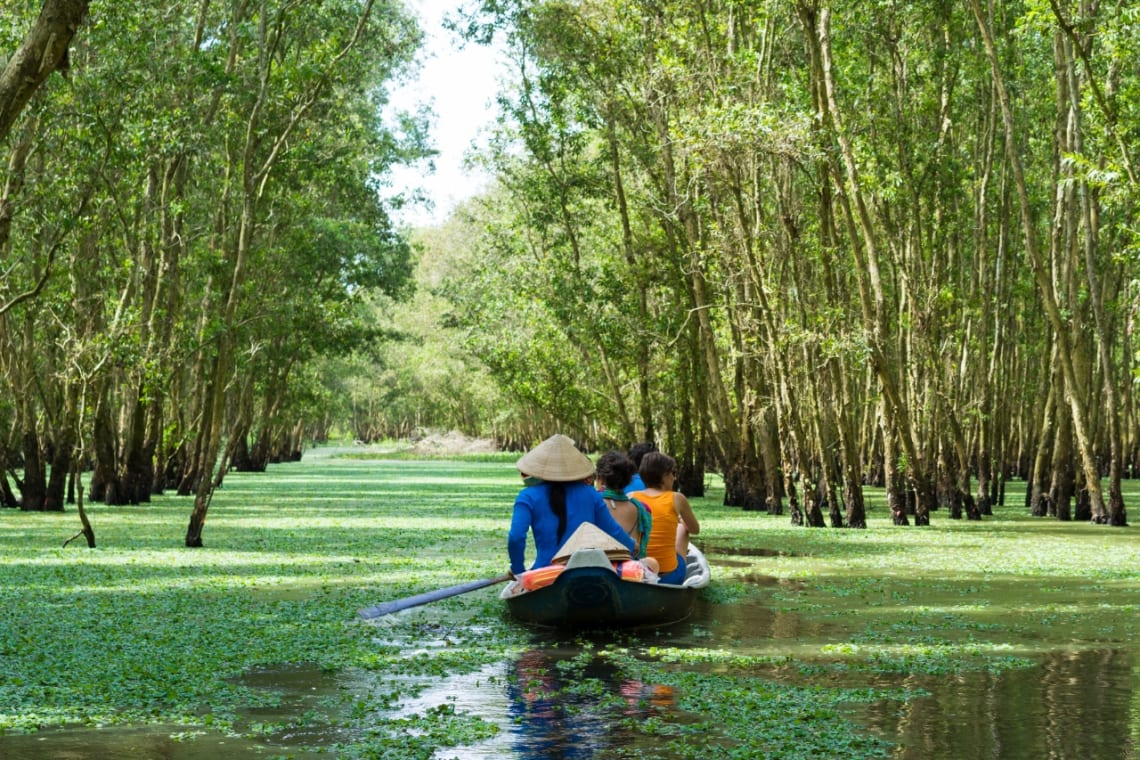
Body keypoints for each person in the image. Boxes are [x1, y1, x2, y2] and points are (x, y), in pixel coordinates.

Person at [508, 435, 636, 576]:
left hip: (545, 572)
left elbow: (516, 537)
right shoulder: (591, 494)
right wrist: (632, 547)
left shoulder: (527, 496)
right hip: (587, 571)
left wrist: (518, 569)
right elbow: (613, 531)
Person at [630, 451, 700, 585]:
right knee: (683, 528)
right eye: (673, 473)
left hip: (639, 573)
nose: (674, 478)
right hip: (669, 576)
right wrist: (679, 521)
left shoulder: (631, 497)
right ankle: (677, 569)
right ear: (664, 475)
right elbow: (695, 529)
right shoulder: (677, 498)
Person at [593, 451, 658, 574]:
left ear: (600, 479)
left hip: (598, 568)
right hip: (628, 570)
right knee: (652, 563)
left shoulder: (593, 503)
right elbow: (640, 550)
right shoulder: (640, 508)